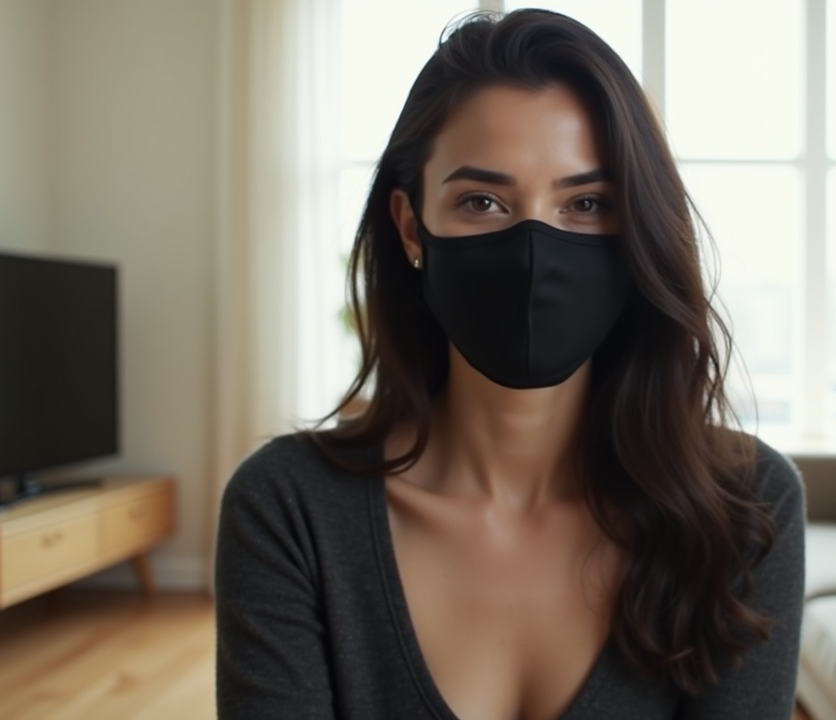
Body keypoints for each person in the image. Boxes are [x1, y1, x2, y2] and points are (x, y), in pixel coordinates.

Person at [215, 8, 805, 719]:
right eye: (483, 201)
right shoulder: (288, 509)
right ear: (411, 227)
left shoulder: (744, 509)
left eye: (585, 202)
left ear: (638, 228)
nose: (533, 251)